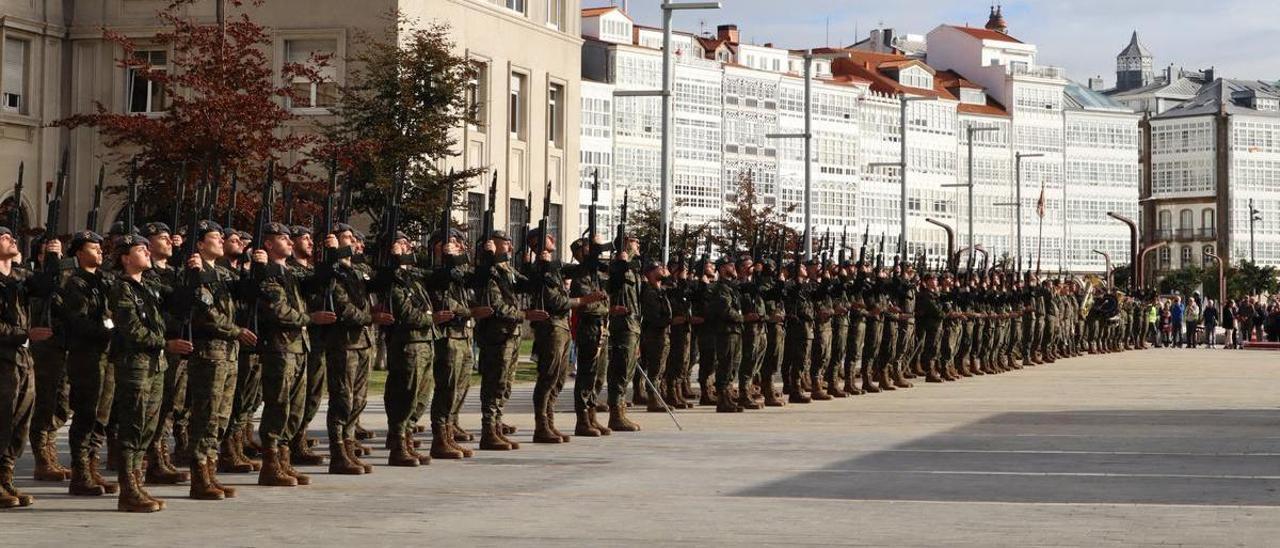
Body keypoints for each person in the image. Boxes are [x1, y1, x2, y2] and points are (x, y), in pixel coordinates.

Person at [0, 228, 57, 509]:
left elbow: (48, 286)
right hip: (3, 357)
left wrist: (54, 257)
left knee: (20, 420)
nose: (11, 239)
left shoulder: (21, 277)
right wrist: (23, 334)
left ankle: (5, 477)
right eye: (4, 237)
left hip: (23, 358)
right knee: (2, 418)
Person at [60, 230, 119, 497]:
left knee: (101, 416)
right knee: (85, 414)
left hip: (105, 355)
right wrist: (108, 331)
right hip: (86, 355)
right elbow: (79, 321)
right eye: (93, 248)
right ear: (79, 253)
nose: (100, 252)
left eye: (100, 248)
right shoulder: (75, 284)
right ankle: (80, 472)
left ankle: (93, 467)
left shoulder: (104, 280)